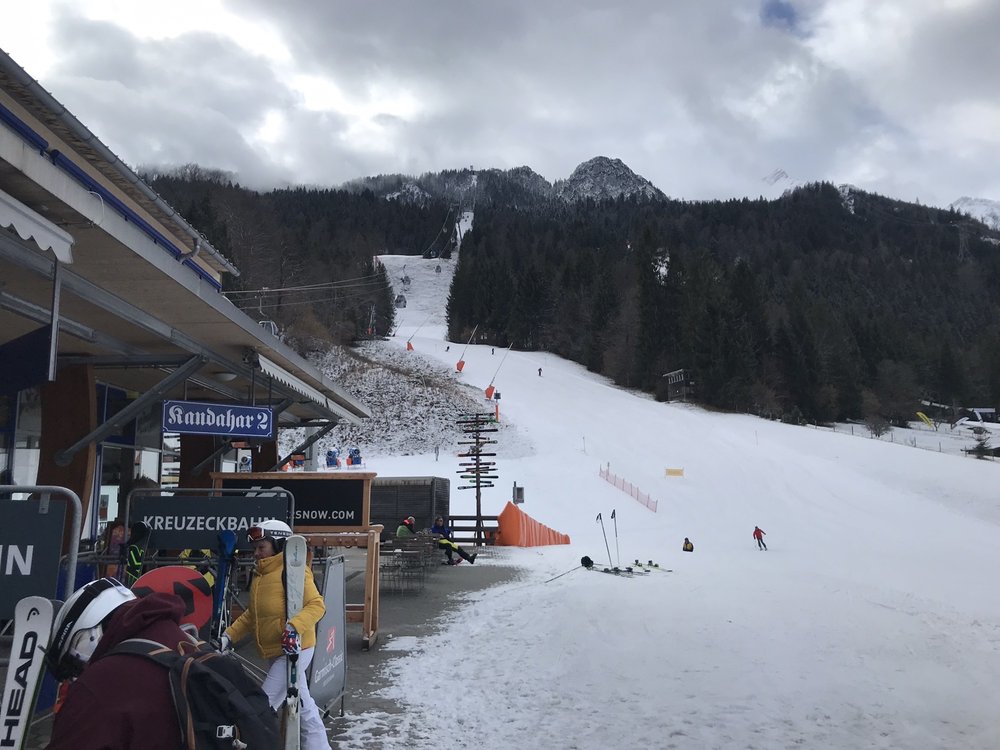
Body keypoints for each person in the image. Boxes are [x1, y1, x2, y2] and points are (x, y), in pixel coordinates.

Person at [222, 520, 331, 750]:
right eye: (255, 549)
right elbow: (253, 615)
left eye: (262, 547)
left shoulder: (294, 571)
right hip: (276, 651)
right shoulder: (261, 576)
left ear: (279, 545)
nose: (257, 554)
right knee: (304, 707)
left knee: (261, 705)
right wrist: (228, 636)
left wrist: (293, 628)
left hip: (295, 650)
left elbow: (317, 605)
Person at [45, 578, 188, 748]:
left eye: (76, 663)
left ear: (89, 636)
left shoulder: (101, 684)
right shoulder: (185, 642)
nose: (78, 676)